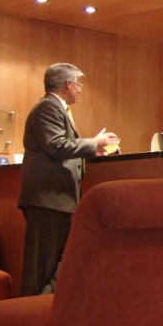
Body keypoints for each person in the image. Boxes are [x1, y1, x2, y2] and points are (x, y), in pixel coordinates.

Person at [17, 63, 119, 296]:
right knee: (41, 267)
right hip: (47, 198)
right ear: (67, 85)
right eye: (78, 84)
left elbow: (61, 146)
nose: (80, 89)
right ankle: (29, 312)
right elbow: (56, 146)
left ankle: (44, 309)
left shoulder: (55, 108)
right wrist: (95, 142)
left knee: (54, 265)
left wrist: (92, 150)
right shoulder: (47, 107)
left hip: (56, 200)